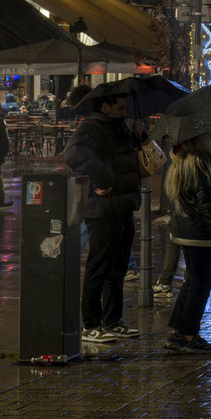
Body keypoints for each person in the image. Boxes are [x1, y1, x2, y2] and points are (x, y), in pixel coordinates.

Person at [63, 89, 143, 345]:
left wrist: (139, 137)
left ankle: (112, 320)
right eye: (120, 108)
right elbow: (75, 156)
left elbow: (131, 159)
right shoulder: (92, 127)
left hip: (124, 204)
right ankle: (90, 324)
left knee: (118, 268)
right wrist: (103, 179)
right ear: (105, 106)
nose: (124, 112)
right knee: (99, 266)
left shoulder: (121, 127)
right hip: (104, 206)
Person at [163, 128, 211, 354]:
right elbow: (210, 205)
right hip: (202, 235)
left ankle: (178, 332)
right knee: (200, 285)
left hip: (189, 232)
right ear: (201, 137)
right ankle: (189, 335)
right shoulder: (203, 164)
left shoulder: (189, 160)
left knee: (193, 283)